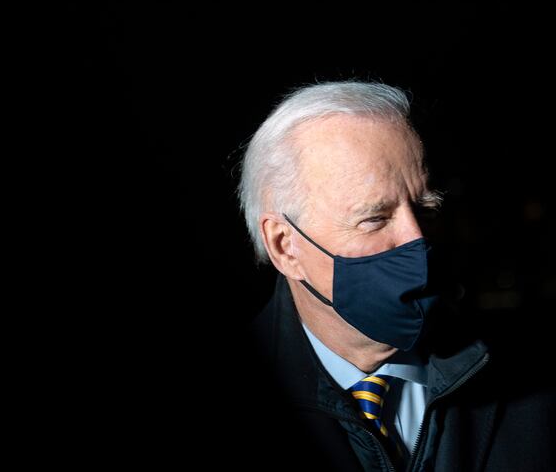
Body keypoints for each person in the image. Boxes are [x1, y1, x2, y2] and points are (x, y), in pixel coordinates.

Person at [235, 81, 555, 471]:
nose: (416, 239)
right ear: (285, 246)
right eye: (374, 219)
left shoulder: (534, 384)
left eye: (426, 208)